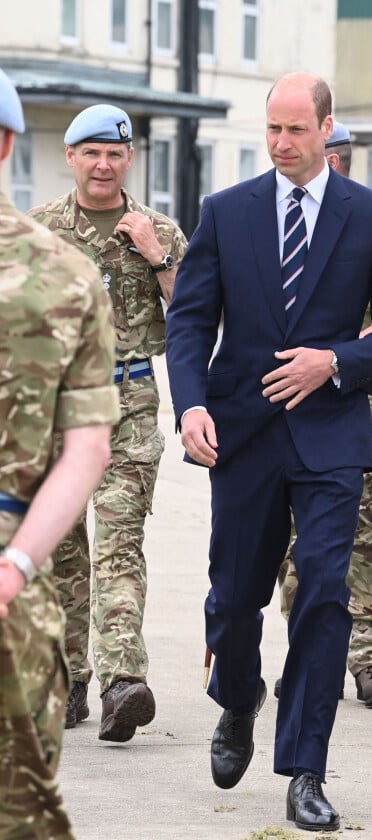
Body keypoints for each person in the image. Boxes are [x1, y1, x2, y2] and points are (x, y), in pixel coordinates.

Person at [165, 72, 372, 831]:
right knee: (235, 596)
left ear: (326, 129)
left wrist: (336, 362)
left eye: (296, 130)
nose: (281, 144)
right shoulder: (226, 212)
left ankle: (305, 768)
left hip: (331, 438)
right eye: (271, 130)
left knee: (320, 595)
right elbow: (189, 322)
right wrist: (191, 405)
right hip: (241, 434)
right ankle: (238, 697)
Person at [28, 104, 188, 743]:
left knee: (120, 541)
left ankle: (125, 681)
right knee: (64, 551)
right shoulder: (36, 231)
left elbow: (197, 314)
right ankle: (69, 680)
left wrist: (155, 258)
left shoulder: (159, 230)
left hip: (129, 404)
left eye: (115, 154)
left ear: (129, 160)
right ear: (71, 157)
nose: (103, 164)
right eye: (91, 153)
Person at [0, 69, 120, 838]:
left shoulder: (66, 278)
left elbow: (87, 447)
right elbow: (85, 448)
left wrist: (14, 568)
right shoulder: (67, 269)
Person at [276, 121, 372, 708]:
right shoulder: (274, 217)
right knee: (296, 539)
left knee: (360, 534)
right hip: (288, 401)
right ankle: (309, 656)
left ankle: (369, 657)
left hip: (358, 401)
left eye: (334, 157)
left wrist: (344, 352)